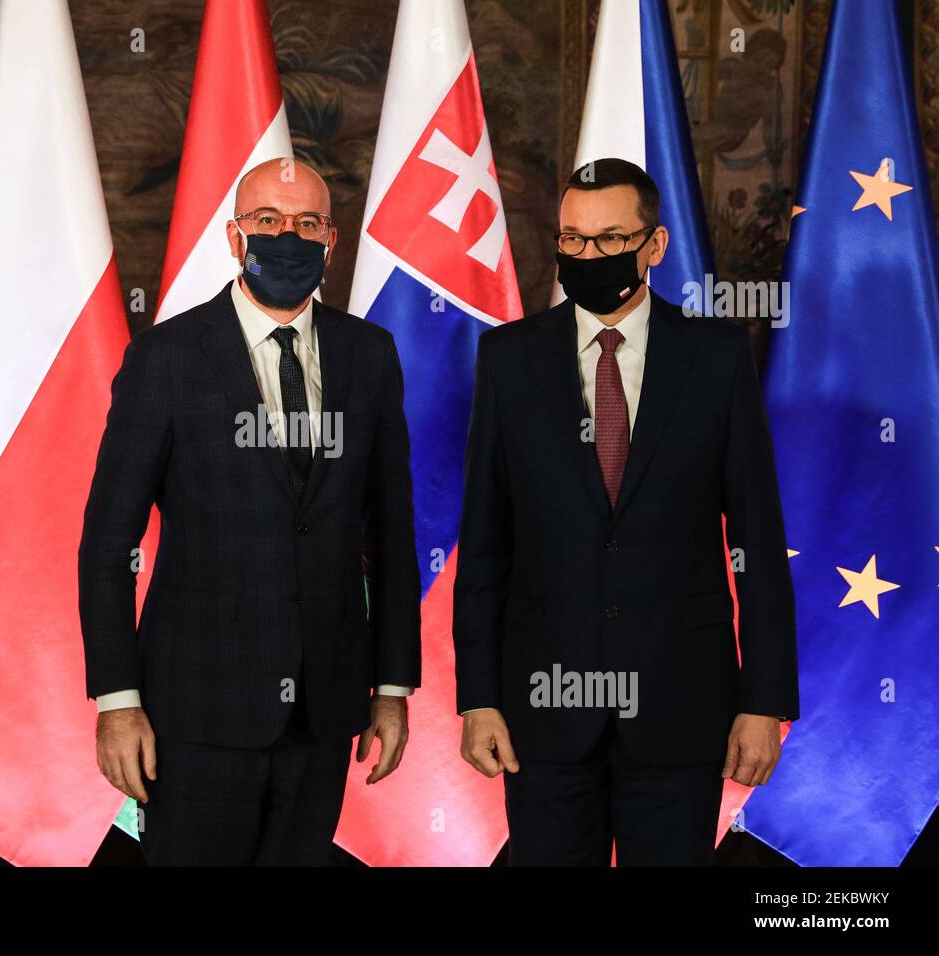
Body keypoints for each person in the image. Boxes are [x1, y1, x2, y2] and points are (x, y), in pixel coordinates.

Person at [454, 157, 798, 866]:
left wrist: (765, 702)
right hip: (543, 714)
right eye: (573, 240)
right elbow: (486, 545)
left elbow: (758, 540)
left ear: (655, 245)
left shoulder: (716, 356)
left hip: (681, 709)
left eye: (610, 239)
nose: (589, 255)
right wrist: (477, 698)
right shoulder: (509, 359)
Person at [78, 157, 421, 865]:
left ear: (331, 238)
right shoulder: (166, 358)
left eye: (305, 224)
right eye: (267, 221)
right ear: (235, 238)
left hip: (324, 714)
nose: (286, 237)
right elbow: (107, 546)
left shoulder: (371, 355)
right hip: (194, 713)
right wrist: (117, 701)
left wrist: (390, 687)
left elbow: (390, 536)